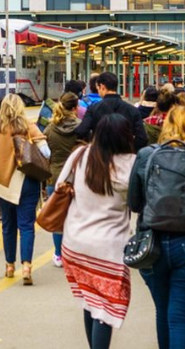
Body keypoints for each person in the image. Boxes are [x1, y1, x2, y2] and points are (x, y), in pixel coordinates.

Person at [129, 106, 185, 349]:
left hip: (152, 247)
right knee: (181, 319)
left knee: (163, 311)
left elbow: (135, 203)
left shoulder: (145, 156)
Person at [58, 114, 136, 349]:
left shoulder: (80, 155)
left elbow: (60, 185)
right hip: (108, 248)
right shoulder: (132, 163)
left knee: (89, 300)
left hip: (74, 243)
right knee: (104, 309)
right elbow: (138, 202)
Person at [0, 94, 50, 284]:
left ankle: (9, 266)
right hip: (27, 182)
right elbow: (46, 152)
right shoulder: (28, 126)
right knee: (26, 226)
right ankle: (26, 267)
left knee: (8, 225)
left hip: (3, 186)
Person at [44, 91, 82, 268]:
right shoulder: (80, 128)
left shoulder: (49, 129)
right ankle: (74, 254)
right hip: (76, 177)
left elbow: (45, 153)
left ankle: (59, 254)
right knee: (77, 216)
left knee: (57, 217)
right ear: (75, 108)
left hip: (55, 177)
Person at [74, 72, 148, 152]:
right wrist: (130, 151)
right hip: (125, 156)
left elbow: (81, 131)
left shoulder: (93, 109)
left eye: (98, 88)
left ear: (102, 87)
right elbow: (142, 138)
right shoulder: (132, 110)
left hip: (100, 156)